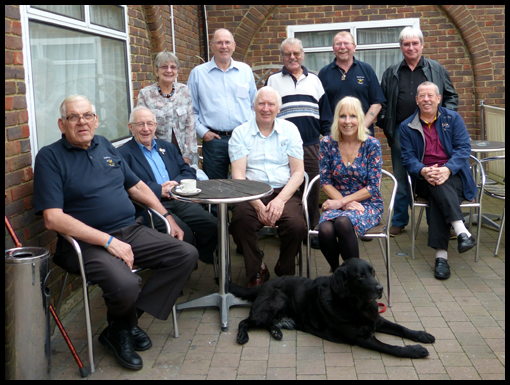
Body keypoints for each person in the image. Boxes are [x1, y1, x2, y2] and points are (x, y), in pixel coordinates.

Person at [33, 95, 198, 371]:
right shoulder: (50, 157)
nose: (81, 122)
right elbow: (53, 218)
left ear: (96, 120)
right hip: (84, 243)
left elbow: (137, 187)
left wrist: (168, 216)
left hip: (130, 230)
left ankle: (122, 325)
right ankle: (123, 328)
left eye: (87, 115)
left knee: (185, 254)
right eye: (73, 117)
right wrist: (108, 241)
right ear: (62, 124)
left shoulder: (106, 146)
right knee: (125, 284)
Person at [379, 26, 459, 236]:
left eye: (415, 43)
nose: (411, 47)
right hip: (400, 134)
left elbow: (451, 96)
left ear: (422, 45)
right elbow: (382, 103)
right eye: (406, 44)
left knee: (434, 176)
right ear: (401, 47)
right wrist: (386, 123)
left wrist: (445, 119)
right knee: (400, 178)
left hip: (433, 132)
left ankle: (444, 221)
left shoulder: (436, 69)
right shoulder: (391, 72)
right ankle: (399, 220)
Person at [118, 106, 218, 264]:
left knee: (212, 224)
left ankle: (200, 258)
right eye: (140, 124)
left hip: (178, 199)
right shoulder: (123, 154)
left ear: (155, 126)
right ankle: (183, 272)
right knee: (184, 232)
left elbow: (188, 170)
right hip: (150, 206)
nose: (146, 129)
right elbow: (125, 185)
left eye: (150, 124)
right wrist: (160, 190)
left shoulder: (168, 147)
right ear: (131, 127)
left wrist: (176, 183)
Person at [228, 87, 306, 287]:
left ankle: (285, 268)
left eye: (271, 104)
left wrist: (280, 201)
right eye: (261, 103)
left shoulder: (290, 130)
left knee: (296, 226)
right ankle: (257, 270)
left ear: (278, 108)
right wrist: (258, 206)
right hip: (250, 191)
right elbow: (238, 176)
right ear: (253, 106)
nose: (266, 108)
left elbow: (298, 172)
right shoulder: (240, 133)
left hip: (283, 191)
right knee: (239, 222)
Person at [400, 82, 476, 280]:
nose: (426, 99)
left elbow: (463, 149)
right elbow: (408, 159)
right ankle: (461, 230)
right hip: (425, 178)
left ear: (439, 98)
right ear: (416, 100)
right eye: (422, 96)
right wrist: (424, 170)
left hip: (454, 175)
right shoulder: (406, 126)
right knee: (437, 184)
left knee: (439, 192)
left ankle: (441, 257)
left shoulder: (453, 118)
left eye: (430, 95)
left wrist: (447, 169)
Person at [266, 37, 332, 248]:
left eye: (296, 53)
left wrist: (327, 139)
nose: (292, 57)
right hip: (282, 147)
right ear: (282, 56)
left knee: (312, 188)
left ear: (303, 55)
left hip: (311, 144)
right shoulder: (273, 81)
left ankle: (312, 230)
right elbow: (267, 114)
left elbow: (326, 115)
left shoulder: (315, 80)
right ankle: (288, 228)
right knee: (286, 187)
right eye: (287, 54)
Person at [318, 96, 384, 272]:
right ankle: (337, 272)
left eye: (353, 116)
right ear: (336, 119)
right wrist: (343, 203)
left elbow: (372, 187)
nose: (347, 121)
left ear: (360, 119)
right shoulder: (327, 143)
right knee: (324, 230)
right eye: (342, 116)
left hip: (367, 203)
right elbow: (325, 182)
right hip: (338, 200)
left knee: (342, 223)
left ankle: (356, 277)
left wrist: (341, 203)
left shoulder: (371, 145)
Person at [188, 28, 257, 180]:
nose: (223, 46)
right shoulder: (198, 73)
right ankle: (215, 206)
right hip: (215, 140)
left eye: (227, 42)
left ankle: (243, 205)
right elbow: (191, 110)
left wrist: (250, 128)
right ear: (212, 46)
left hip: (244, 138)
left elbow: (255, 104)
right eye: (219, 42)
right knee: (215, 186)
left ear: (234, 45)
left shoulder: (245, 71)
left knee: (246, 181)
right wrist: (203, 133)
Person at [136, 51, 200, 169]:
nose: (169, 70)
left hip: (185, 155)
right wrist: (160, 154)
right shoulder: (145, 94)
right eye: (164, 67)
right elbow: (144, 128)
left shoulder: (184, 91)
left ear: (177, 71)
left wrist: (187, 155)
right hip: (157, 154)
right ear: (156, 71)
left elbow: (190, 125)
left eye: (173, 67)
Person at [318, 31, 386, 136]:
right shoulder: (324, 73)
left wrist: (361, 129)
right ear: (333, 49)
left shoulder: (366, 70)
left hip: (363, 135)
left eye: (346, 43)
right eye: (338, 44)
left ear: (354, 47)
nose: (342, 47)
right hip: (334, 136)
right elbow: (321, 107)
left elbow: (376, 104)